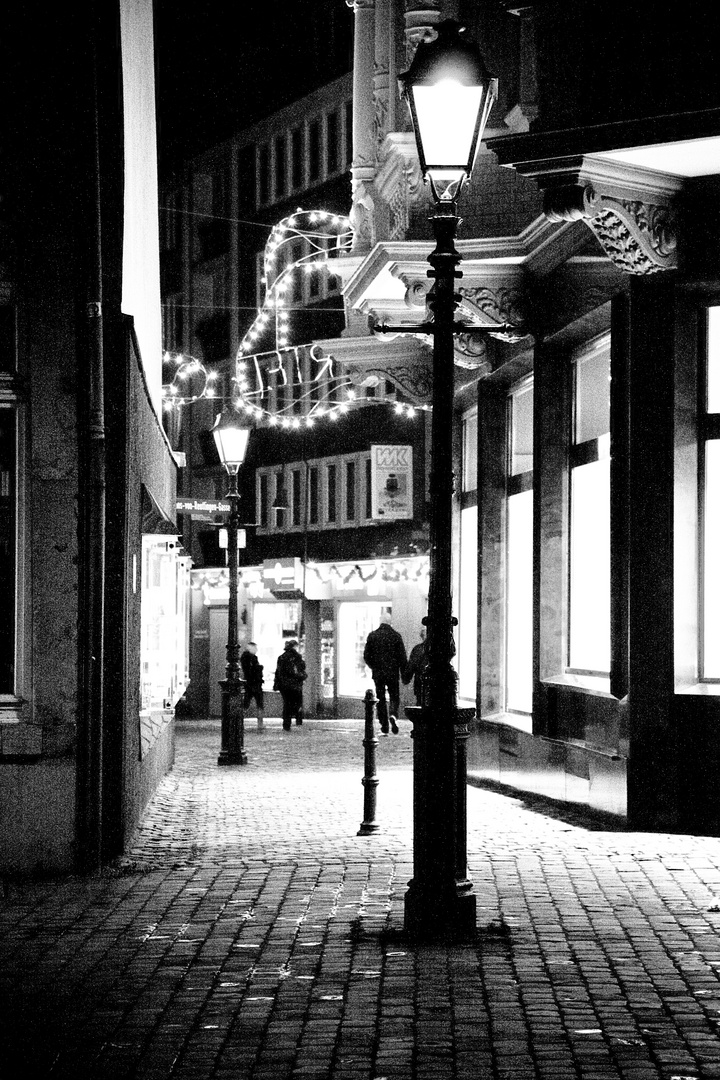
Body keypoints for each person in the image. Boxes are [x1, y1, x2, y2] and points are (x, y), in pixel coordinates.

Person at [363, 611, 407, 734]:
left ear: (380, 622)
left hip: (378, 674)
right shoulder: (396, 636)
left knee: (380, 698)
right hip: (393, 673)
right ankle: (393, 715)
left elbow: (366, 655)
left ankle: (384, 725)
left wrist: (374, 666)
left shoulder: (373, 636)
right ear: (390, 622)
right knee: (394, 696)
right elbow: (402, 657)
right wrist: (404, 673)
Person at [273, 639, 307, 730]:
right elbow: (300, 669)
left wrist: (276, 683)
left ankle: (286, 723)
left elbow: (278, 672)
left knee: (287, 703)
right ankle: (298, 719)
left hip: (284, 685)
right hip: (294, 684)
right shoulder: (296, 657)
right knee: (297, 702)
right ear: (295, 647)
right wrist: (303, 676)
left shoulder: (281, 657)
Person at [240, 641, 264, 727]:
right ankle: (260, 723)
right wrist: (260, 668)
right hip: (253, 683)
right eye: (255, 648)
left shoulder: (246, 657)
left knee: (247, 702)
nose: (257, 650)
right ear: (251, 648)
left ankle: (240, 720)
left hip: (250, 683)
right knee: (258, 703)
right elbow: (252, 670)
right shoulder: (250, 658)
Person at [403, 626, 427, 705]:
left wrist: (406, 678)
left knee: (421, 707)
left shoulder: (418, 649)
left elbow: (411, 666)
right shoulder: (439, 649)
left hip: (420, 684)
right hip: (436, 686)